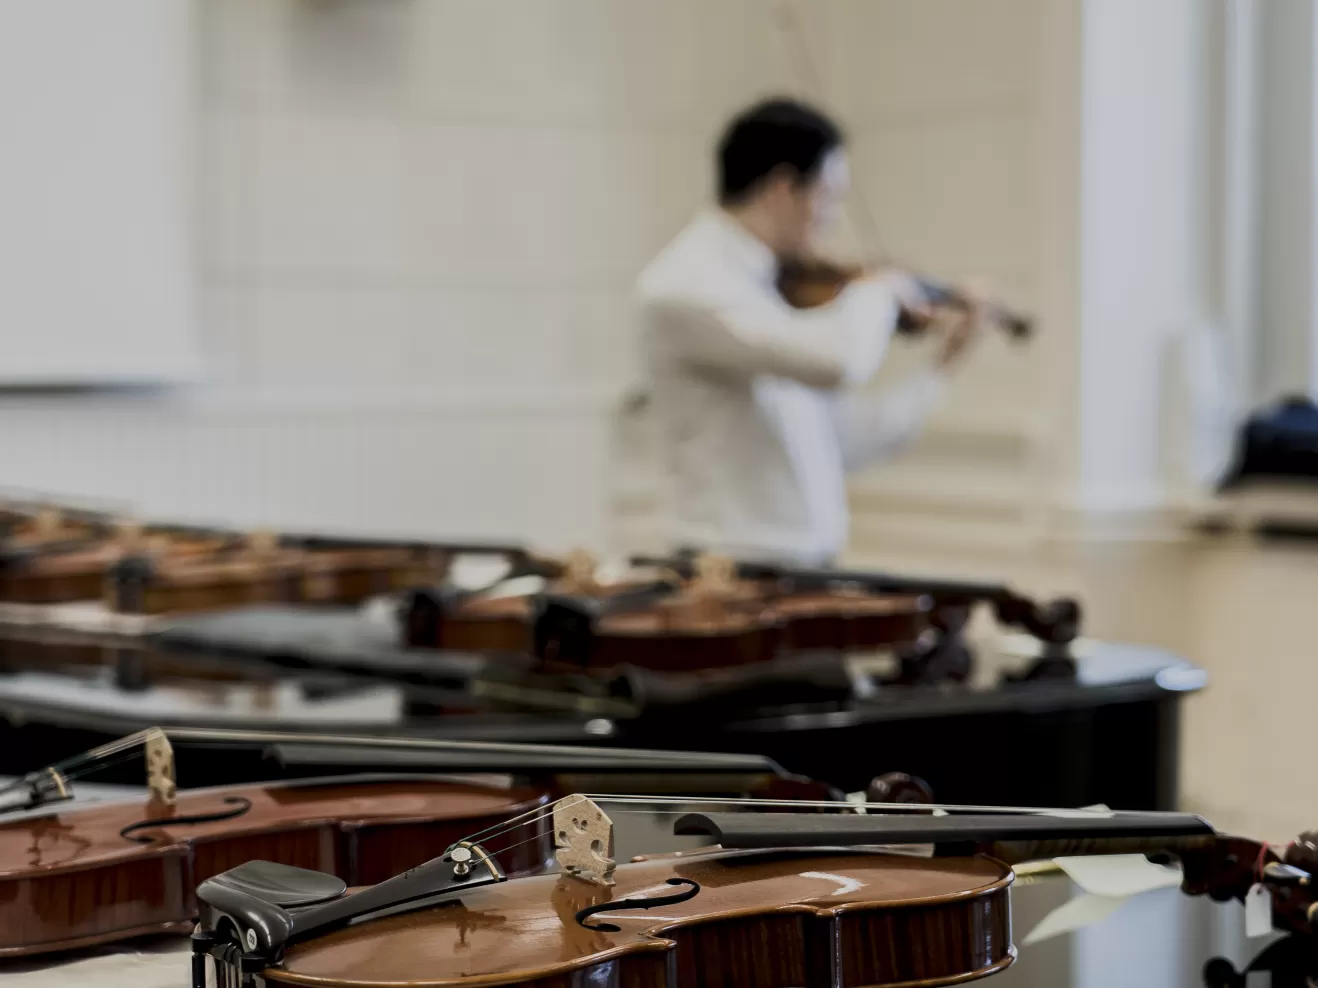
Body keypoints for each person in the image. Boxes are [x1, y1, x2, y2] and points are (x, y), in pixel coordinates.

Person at [635, 97, 984, 566]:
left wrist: (943, 366)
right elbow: (838, 363)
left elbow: (847, 442)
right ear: (782, 188)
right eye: (828, 196)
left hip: (802, 569)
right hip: (729, 573)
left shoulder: (774, 288)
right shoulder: (685, 285)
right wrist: (880, 288)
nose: (831, 218)